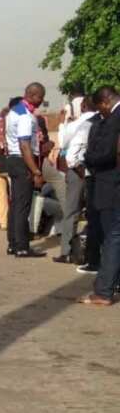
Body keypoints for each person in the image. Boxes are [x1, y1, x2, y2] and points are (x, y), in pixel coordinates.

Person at [79, 86, 120, 305]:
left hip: (112, 183)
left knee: (112, 237)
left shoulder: (113, 120)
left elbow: (105, 153)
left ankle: (103, 291)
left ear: (104, 102)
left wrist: (88, 159)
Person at [4, 84, 47, 258]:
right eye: (41, 97)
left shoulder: (13, 111)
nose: (42, 100)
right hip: (23, 162)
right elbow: (24, 145)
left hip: (14, 161)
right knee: (22, 206)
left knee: (15, 205)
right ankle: (22, 246)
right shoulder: (24, 116)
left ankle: (13, 243)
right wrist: (36, 171)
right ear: (33, 95)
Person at [54, 97, 96, 264]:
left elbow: (64, 144)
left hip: (77, 170)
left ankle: (66, 252)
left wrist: (63, 123)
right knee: (94, 211)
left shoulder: (76, 124)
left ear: (83, 106)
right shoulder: (104, 121)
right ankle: (92, 253)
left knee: (72, 211)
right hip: (96, 170)